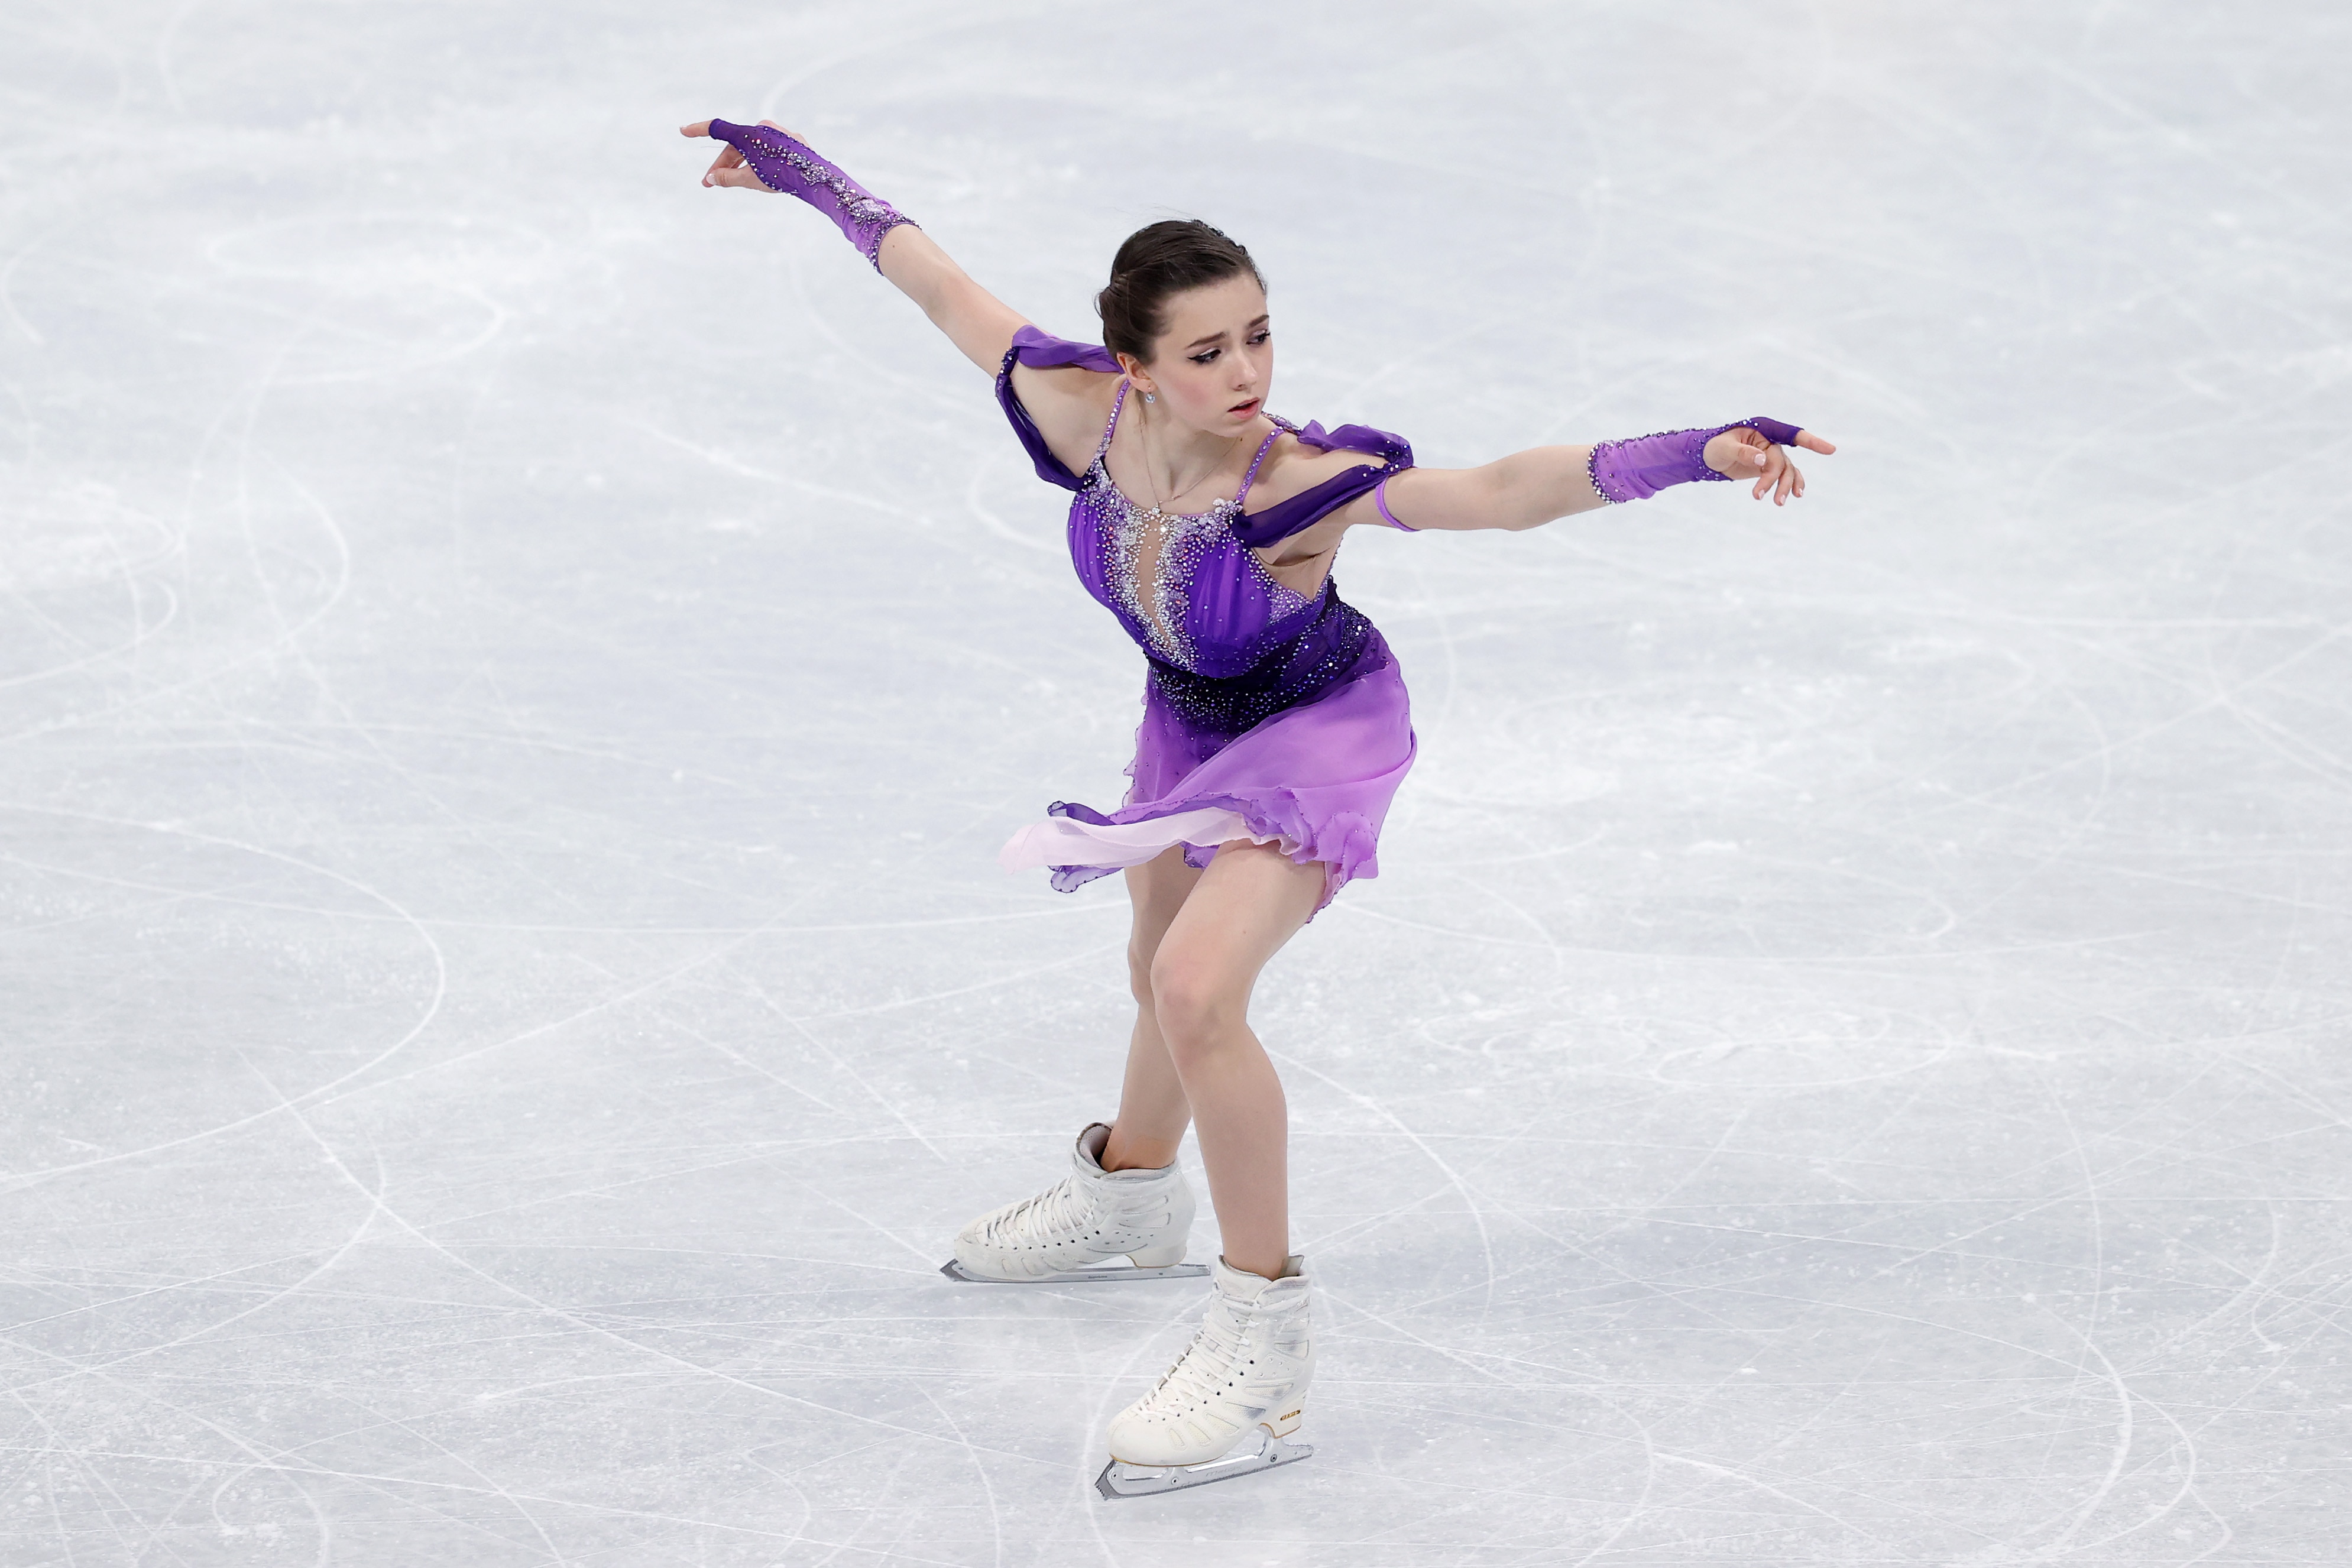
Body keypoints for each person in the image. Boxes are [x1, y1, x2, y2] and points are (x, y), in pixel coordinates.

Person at [681, 115, 1835, 1495]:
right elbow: (931, 277)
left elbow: (1499, 493)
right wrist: (803, 174)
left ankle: (1262, 1346)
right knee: (1147, 966)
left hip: (1319, 732)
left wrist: (1694, 448)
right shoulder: (1076, 409)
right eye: (1209, 350)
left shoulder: (1290, 485)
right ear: (1136, 366)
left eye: (1261, 337)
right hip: (1188, 725)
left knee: (1195, 988)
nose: (1248, 374)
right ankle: (1130, 1191)